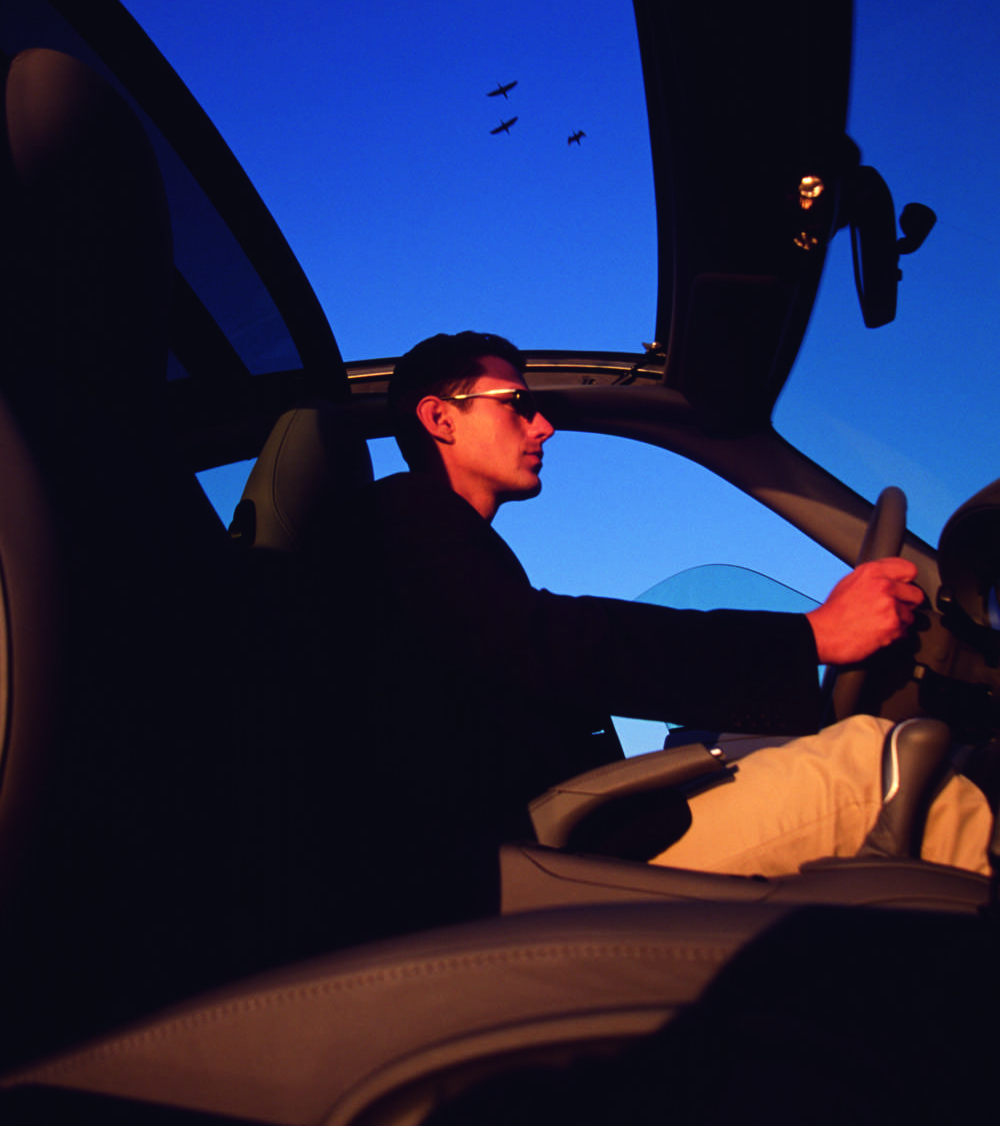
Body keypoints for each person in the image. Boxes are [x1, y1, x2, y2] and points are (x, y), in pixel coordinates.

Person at [357, 330, 990, 907]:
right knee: (875, 770)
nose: (543, 426)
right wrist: (812, 637)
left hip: (567, 844)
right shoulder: (405, 514)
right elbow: (562, 642)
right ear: (440, 418)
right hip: (546, 863)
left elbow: (553, 648)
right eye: (517, 404)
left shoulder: (445, 544)